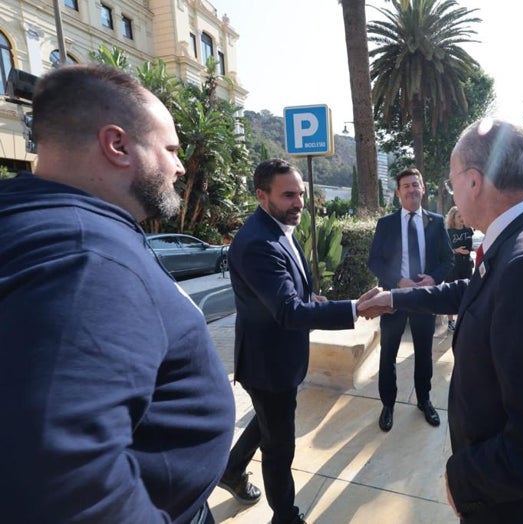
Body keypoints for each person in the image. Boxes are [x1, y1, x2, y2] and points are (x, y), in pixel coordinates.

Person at [0, 64, 234, 523]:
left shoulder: (35, 219)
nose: (181, 166)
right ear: (118, 145)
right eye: (170, 149)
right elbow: (62, 481)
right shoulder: (87, 260)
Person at [359, 117, 523, 523]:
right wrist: (395, 297)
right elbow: (472, 293)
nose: (451, 191)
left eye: (453, 179)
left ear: (474, 181)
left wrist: (464, 480)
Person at [221, 158, 374, 524]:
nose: (299, 202)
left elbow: (289, 297)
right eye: (288, 195)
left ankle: (230, 470)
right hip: (267, 365)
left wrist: (311, 302)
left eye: (301, 193)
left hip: (279, 359)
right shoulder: (258, 242)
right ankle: (285, 516)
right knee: (279, 448)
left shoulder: (277, 227)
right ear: (261, 195)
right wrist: (355, 308)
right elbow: (288, 312)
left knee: (266, 421)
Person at [367, 167, 454, 432]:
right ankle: (388, 404)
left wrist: (433, 279)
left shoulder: (436, 222)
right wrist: (398, 281)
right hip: (394, 298)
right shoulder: (386, 224)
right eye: (406, 186)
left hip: (424, 299)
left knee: (424, 353)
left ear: (423, 189)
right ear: (398, 193)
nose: (412, 189)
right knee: (388, 353)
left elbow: (447, 259)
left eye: (416, 184)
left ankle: (424, 400)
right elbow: (375, 261)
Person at [444, 206, 474, 330]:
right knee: (451, 293)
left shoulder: (469, 230)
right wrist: (457, 250)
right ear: (453, 218)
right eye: (458, 216)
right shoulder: (449, 233)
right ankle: (451, 322)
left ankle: (463, 319)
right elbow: (444, 251)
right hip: (453, 267)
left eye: (463, 215)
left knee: (467, 293)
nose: (462, 219)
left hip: (466, 266)